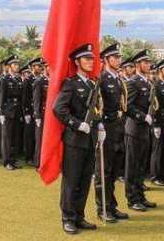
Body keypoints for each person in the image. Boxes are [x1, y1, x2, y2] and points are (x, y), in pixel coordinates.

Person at [54, 43, 100, 235]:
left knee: (84, 180)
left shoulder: (92, 83)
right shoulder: (70, 83)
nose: (91, 61)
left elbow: (97, 110)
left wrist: (100, 125)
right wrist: (76, 123)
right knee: (71, 180)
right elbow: (58, 109)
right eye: (86, 59)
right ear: (77, 62)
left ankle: (79, 216)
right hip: (74, 140)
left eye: (92, 58)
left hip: (90, 140)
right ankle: (68, 218)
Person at [94, 43, 129, 222]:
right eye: (114, 57)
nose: (118, 60)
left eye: (119, 57)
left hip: (118, 127)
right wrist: (99, 125)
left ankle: (112, 206)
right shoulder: (101, 78)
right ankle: (102, 209)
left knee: (114, 171)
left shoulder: (117, 78)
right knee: (103, 171)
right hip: (106, 128)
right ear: (106, 60)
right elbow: (96, 104)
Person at [124, 49, 157, 211]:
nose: (148, 65)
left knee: (141, 165)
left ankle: (140, 196)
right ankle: (132, 199)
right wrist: (142, 116)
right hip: (135, 128)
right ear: (137, 65)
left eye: (149, 62)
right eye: (145, 62)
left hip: (145, 129)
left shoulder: (147, 82)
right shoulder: (133, 82)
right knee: (132, 165)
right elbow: (126, 106)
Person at [0, 55, 23, 170]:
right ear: (9, 66)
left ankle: (13, 159)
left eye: (18, 64)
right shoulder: (4, 79)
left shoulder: (18, 79)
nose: (17, 66)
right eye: (15, 64)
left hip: (17, 111)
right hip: (7, 111)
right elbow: (1, 96)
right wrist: (1, 112)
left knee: (14, 137)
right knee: (7, 137)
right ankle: (7, 161)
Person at [150, 58, 164, 187]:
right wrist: (156, 124)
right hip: (159, 121)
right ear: (160, 70)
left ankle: (162, 175)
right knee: (157, 150)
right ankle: (155, 176)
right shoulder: (156, 85)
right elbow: (154, 106)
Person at [32, 58, 48, 169]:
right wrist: (37, 115)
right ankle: (38, 163)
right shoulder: (39, 81)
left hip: (51, 115)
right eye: (48, 67)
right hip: (42, 114)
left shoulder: (53, 80)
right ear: (45, 68)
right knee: (40, 139)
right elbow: (36, 100)